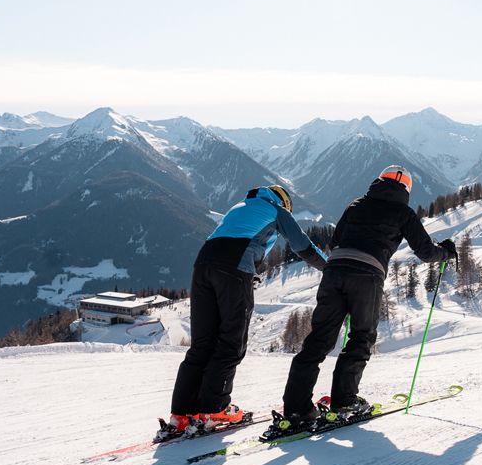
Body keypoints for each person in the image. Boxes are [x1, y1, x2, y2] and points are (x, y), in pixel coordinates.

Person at [271, 166, 455, 435]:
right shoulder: (403, 212)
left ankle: (296, 410)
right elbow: (426, 252)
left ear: (378, 180)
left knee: (318, 340)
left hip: (334, 272)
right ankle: (344, 403)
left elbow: (335, 242)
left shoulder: (355, 205)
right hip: (367, 276)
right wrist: (446, 253)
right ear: (406, 189)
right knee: (361, 337)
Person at [159, 185, 327, 440]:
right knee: (231, 341)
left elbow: (236, 243)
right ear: (284, 202)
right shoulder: (276, 209)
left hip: (202, 267)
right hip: (233, 269)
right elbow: (302, 245)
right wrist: (330, 267)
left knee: (202, 344)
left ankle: (181, 414)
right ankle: (215, 409)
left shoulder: (239, 208)